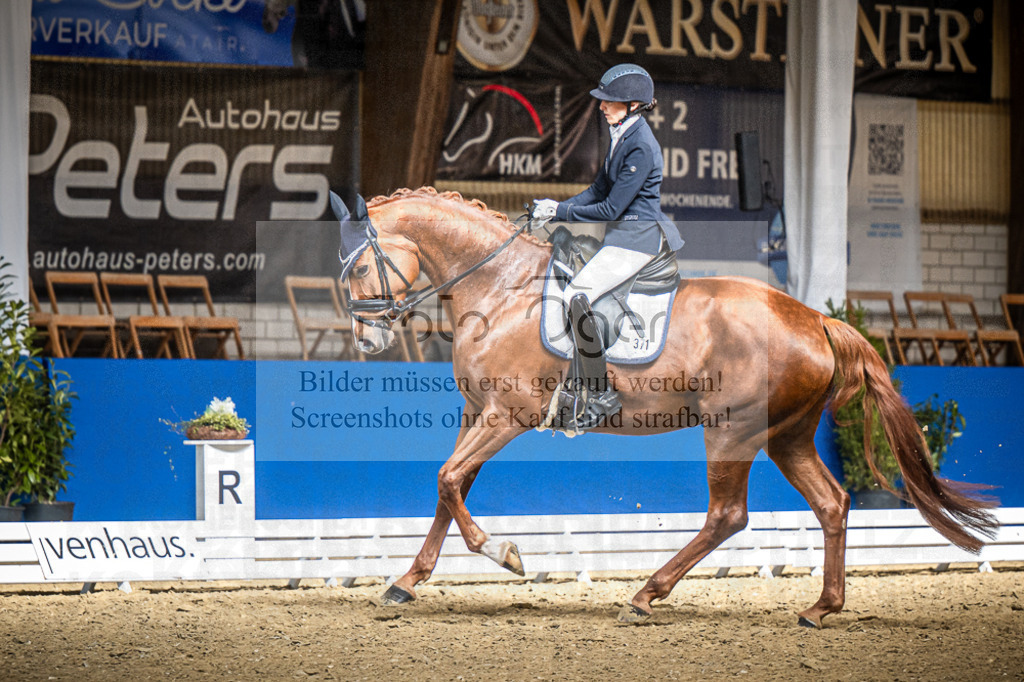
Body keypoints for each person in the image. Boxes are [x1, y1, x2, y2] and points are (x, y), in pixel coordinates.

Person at [533, 64, 684, 430]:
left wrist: (562, 211)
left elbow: (611, 208)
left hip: (637, 239)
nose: (602, 107)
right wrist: (556, 207)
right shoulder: (621, 134)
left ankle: (599, 394)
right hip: (620, 236)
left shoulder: (641, 146)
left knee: (575, 297)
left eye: (610, 102)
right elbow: (598, 190)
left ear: (633, 105)